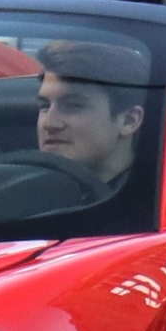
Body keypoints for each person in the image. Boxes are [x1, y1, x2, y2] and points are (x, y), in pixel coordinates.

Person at [32, 39, 153, 227]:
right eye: (44, 106)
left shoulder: (151, 212)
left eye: (73, 106)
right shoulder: (28, 195)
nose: (50, 123)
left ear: (129, 120)